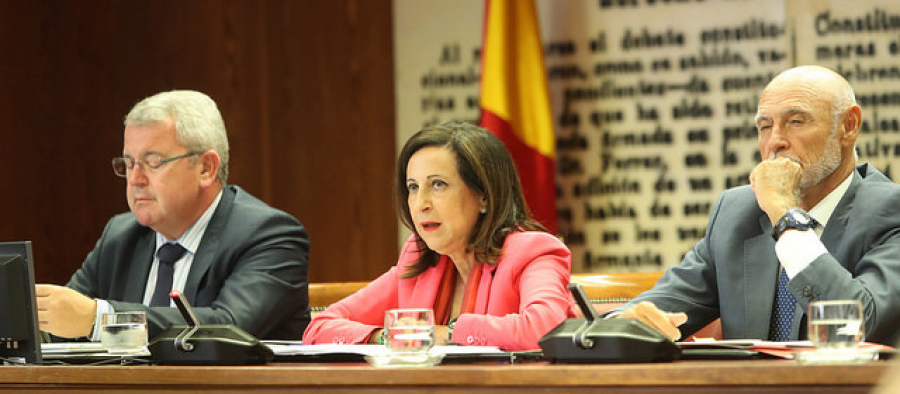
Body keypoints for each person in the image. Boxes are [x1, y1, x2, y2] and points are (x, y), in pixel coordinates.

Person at [619, 65, 900, 345]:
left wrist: (785, 217)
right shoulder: (737, 212)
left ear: (848, 126)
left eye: (796, 122)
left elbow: (853, 326)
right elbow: (657, 308)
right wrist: (623, 325)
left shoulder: (890, 211)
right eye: (765, 127)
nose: (775, 141)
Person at [36, 90, 311, 341]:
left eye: (153, 162)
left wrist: (102, 319)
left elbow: (229, 327)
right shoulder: (120, 237)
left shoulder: (269, 235)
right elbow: (62, 326)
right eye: (129, 163)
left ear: (206, 168)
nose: (135, 179)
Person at [303, 121, 575, 351]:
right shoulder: (420, 261)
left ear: (484, 196)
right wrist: (386, 337)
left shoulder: (534, 252)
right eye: (412, 187)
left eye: (438, 185)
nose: (421, 203)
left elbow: (546, 329)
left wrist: (446, 334)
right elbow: (320, 327)